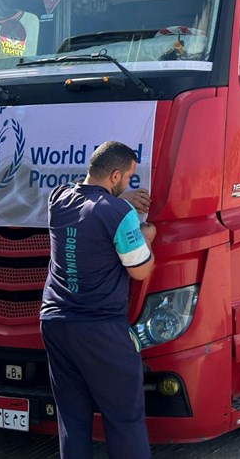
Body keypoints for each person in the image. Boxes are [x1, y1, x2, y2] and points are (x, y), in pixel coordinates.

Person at [40, 141, 157, 459]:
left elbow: (90, 210)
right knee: (124, 418)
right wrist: (145, 238)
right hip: (100, 329)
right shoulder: (118, 214)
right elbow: (140, 270)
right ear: (116, 175)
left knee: (72, 421)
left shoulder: (58, 199)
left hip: (56, 323)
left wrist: (123, 201)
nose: (129, 184)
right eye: (129, 178)